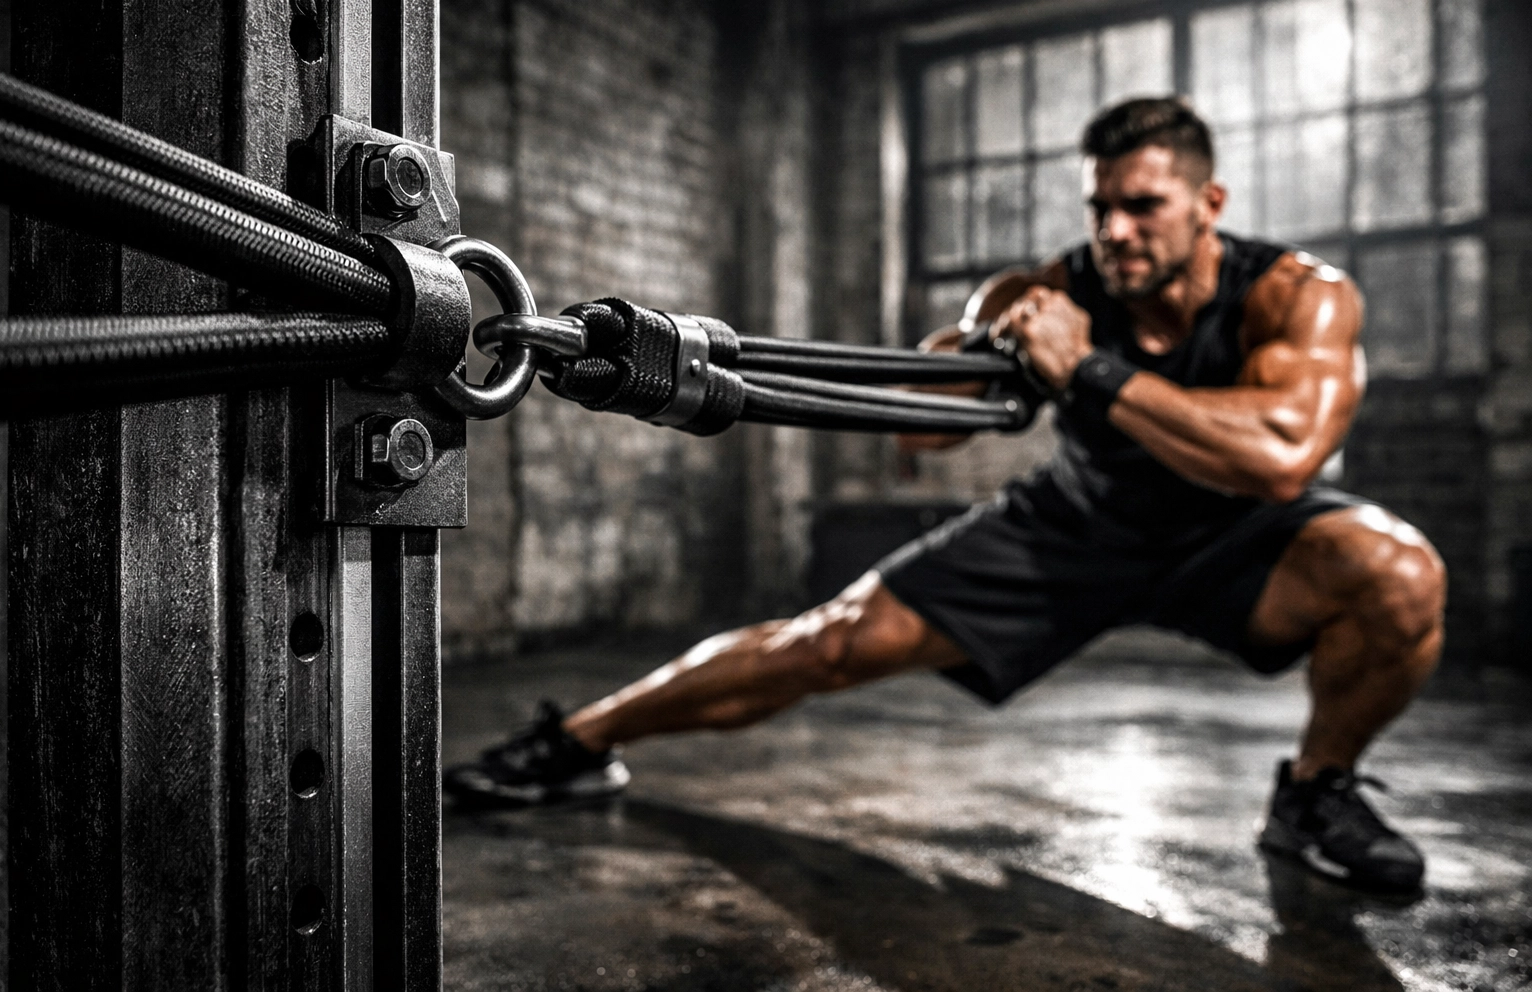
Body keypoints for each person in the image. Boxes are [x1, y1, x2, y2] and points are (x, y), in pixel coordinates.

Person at [445, 97, 1445, 896]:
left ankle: (1315, 793)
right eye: (1100, 206)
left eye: (1143, 207)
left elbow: (1282, 454)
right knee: (827, 641)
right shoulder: (1047, 292)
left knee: (1397, 574)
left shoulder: (1299, 295)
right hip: (1075, 524)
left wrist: (1087, 369)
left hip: (1242, 535)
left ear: (1208, 204)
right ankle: (576, 742)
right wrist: (980, 345)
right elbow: (917, 433)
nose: (1115, 230)